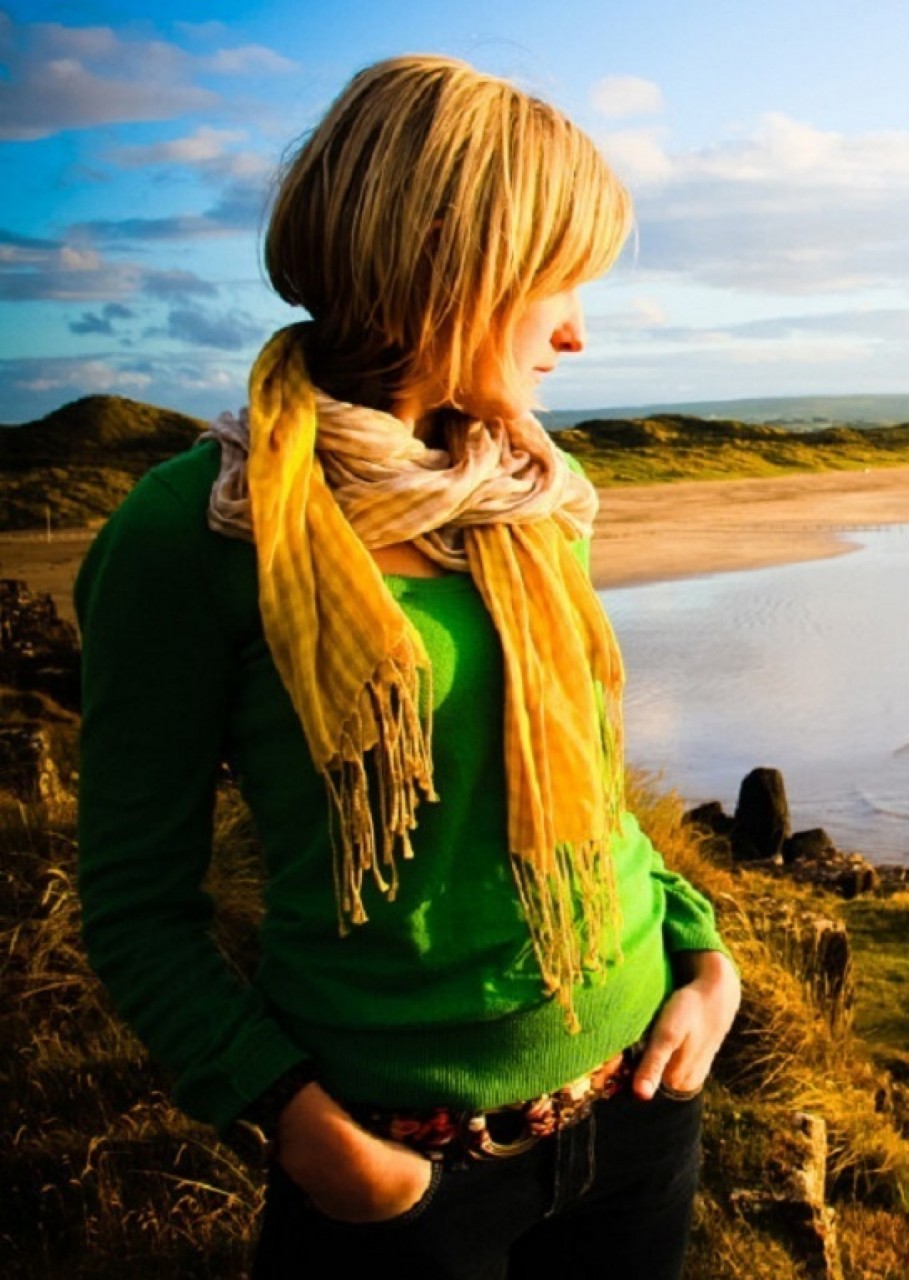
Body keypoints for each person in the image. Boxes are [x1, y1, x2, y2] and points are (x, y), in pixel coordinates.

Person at [73, 54, 740, 1278]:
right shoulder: (190, 535)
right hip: (399, 1175)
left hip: (642, 1104)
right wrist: (305, 1131)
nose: (577, 332)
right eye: (556, 284)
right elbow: (133, 905)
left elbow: (591, 788)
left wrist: (706, 961)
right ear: (447, 256)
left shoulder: (525, 501)